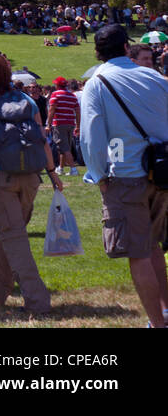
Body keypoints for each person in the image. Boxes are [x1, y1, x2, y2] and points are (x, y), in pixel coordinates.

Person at [80, 23, 168, 328]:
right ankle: (165, 311)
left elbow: (91, 139)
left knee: (138, 252)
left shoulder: (97, 83)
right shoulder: (154, 77)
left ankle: (158, 323)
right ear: (126, 47)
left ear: (97, 51)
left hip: (126, 175)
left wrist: (98, 175)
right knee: (154, 244)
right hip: (162, 173)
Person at [0, 52, 60, 316]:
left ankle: (37, 300)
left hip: (1, 175)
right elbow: (42, 138)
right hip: (32, 176)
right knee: (13, 232)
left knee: (14, 236)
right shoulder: (26, 100)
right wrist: (53, 173)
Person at [47, 77, 81, 177]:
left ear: (57, 85)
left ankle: (73, 169)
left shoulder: (55, 94)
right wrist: (78, 125)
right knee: (64, 147)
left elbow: (51, 110)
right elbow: (77, 111)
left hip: (59, 123)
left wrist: (48, 124)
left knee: (64, 147)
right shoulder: (72, 96)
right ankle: (60, 168)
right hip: (71, 124)